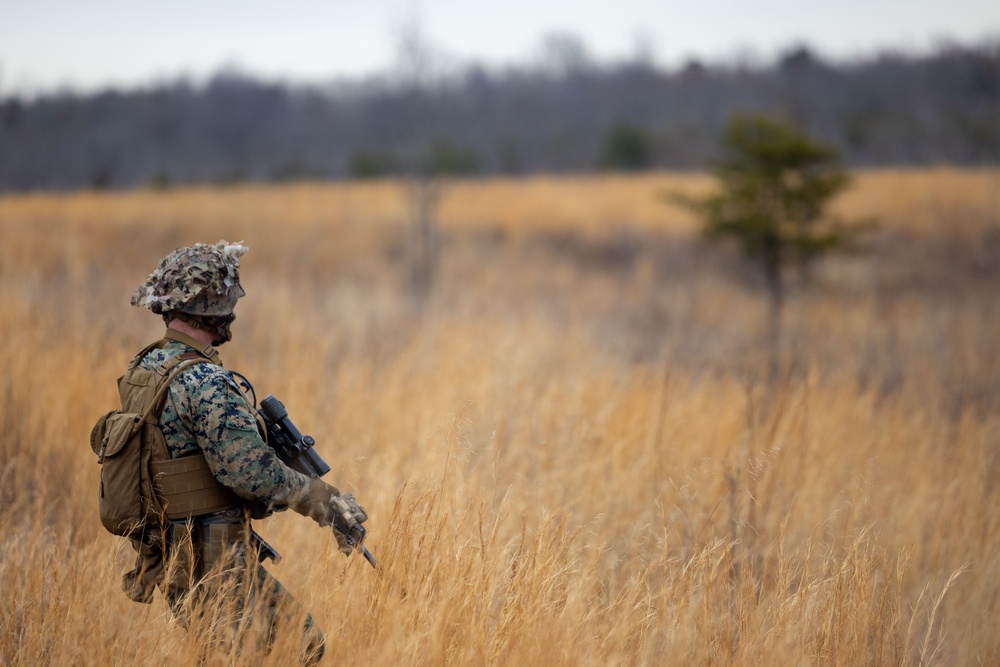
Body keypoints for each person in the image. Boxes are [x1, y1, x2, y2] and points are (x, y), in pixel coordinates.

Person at [116, 240, 360, 664]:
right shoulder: (206, 380)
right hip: (211, 558)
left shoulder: (145, 369)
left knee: (289, 647)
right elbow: (250, 472)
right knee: (293, 649)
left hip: (177, 549)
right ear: (212, 305)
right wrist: (324, 501)